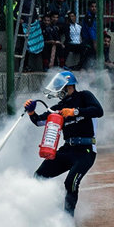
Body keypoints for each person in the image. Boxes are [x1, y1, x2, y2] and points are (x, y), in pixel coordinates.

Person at [23, 71, 104, 217]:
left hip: (85, 151)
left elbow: (98, 111)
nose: (59, 92)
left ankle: (67, 221)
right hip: (67, 149)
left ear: (69, 86)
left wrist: (75, 112)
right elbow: (40, 121)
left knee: (71, 182)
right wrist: (31, 112)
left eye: (61, 88)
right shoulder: (59, 106)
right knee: (39, 176)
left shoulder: (84, 96)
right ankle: (41, 213)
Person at [80, 1, 98, 70]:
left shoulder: (94, 17)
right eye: (92, 6)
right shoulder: (89, 17)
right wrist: (94, 42)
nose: (94, 8)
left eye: (95, 7)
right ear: (89, 7)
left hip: (91, 42)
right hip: (88, 42)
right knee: (86, 65)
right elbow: (91, 31)